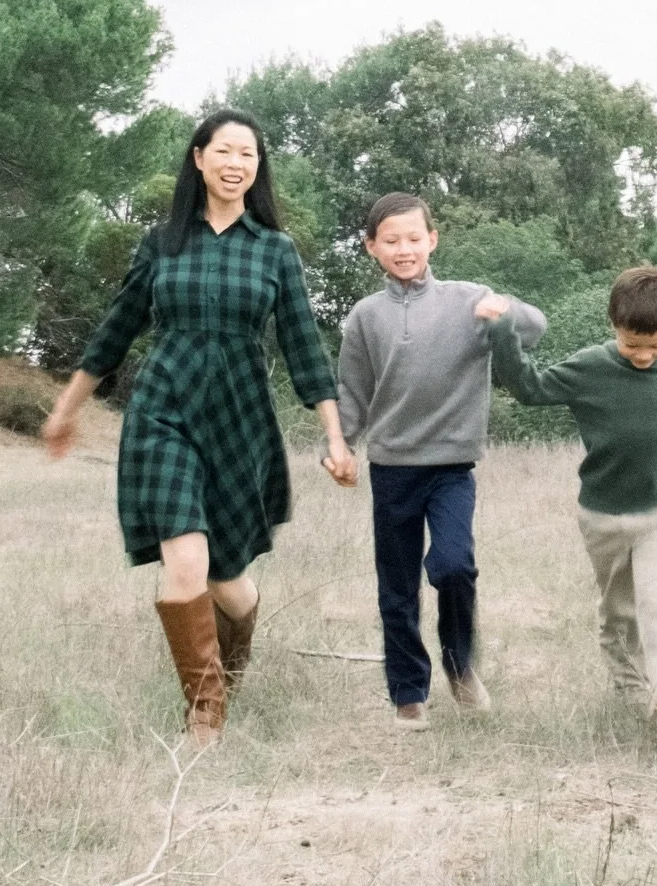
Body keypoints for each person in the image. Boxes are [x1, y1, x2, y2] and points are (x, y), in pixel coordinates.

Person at [43, 111, 357, 746]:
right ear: (199, 159)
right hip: (163, 411)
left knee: (229, 581)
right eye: (224, 150)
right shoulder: (162, 242)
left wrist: (334, 437)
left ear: (256, 167)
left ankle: (230, 659)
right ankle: (205, 712)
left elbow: (302, 346)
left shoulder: (275, 249)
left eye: (248, 153)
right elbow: (117, 327)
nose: (236, 162)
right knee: (184, 562)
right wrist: (67, 407)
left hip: (240, 420)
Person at [479, 265, 657, 754]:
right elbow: (529, 388)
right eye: (631, 344)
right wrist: (500, 329)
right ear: (614, 324)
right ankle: (630, 693)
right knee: (619, 612)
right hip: (603, 517)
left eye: (654, 346)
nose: (642, 355)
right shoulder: (589, 367)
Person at [338, 192, 547, 731]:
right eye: (391, 241)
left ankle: (460, 665)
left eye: (414, 238)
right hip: (392, 468)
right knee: (397, 586)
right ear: (372, 248)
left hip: (452, 465)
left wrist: (503, 312)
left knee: (454, 566)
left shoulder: (468, 298)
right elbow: (354, 393)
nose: (404, 249)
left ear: (432, 240)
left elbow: (536, 326)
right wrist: (339, 445)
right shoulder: (365, 316)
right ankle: (409, 693)